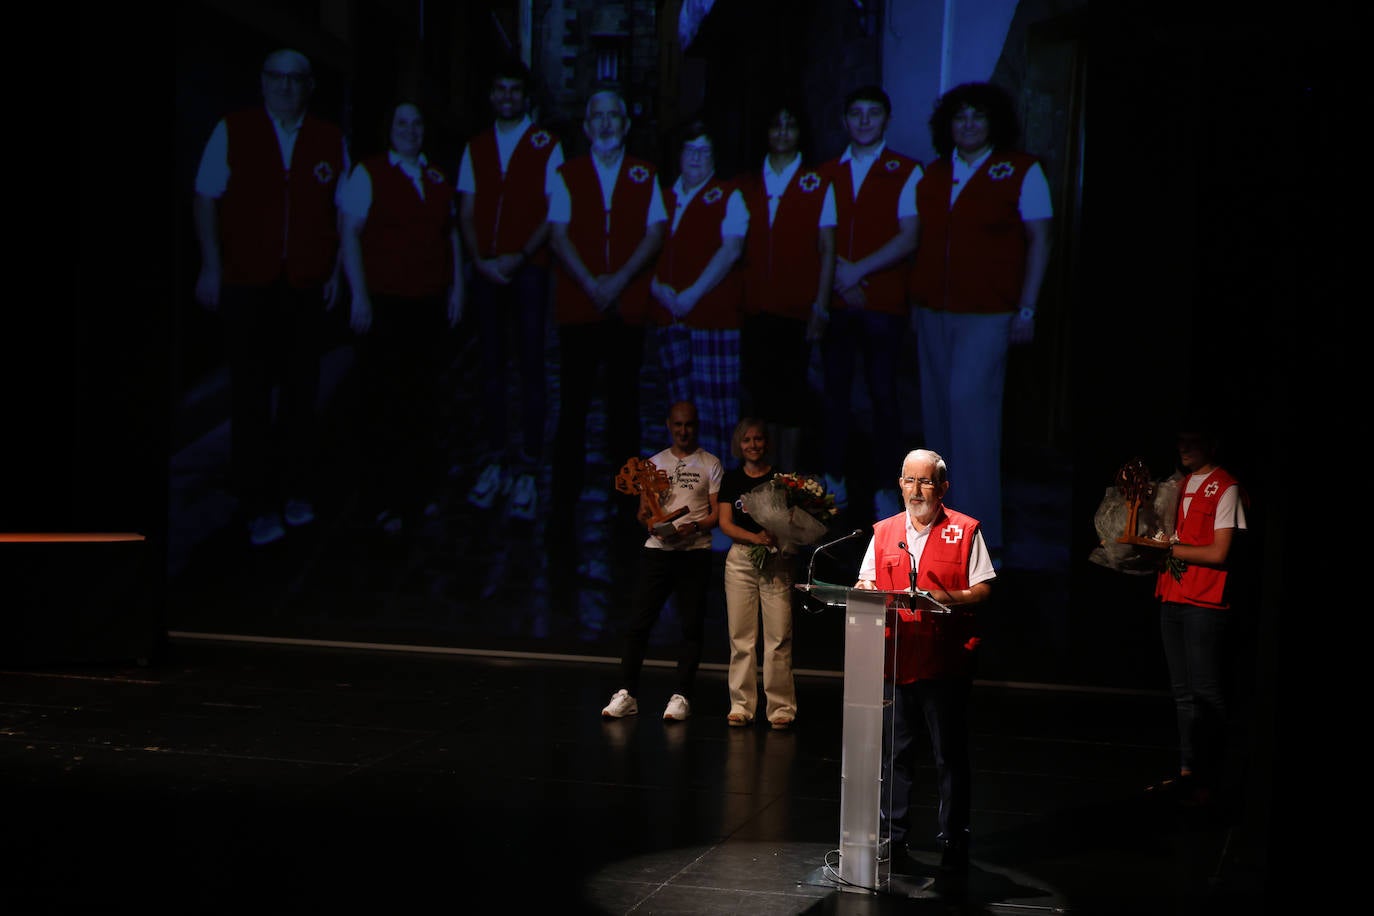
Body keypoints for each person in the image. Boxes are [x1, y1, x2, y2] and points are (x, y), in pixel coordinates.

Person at [193, 48, 349, 546]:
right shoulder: (232, 129)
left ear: (310, 87)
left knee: (302, 396)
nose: (285, 87)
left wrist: (337, 273)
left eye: (296, 79)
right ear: (262, 82)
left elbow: (344, 213)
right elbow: (205, 197)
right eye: (277, 78)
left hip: (305, 285)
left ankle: (296, 491)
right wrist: (212, 268)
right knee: (251, 396)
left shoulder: (329, 139)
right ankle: (256, 503)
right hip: (247, 282)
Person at [908, 82, 1054, 569]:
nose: (967, 125)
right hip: (932, 313)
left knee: (972, 419)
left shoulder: (1021, 170)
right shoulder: (933, 174)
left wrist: (1027, 308)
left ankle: (976, 532)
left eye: (977, 117)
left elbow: (1040, 240)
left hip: (988, 315)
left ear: (992, 123)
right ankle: (932, 522)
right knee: (938, 420)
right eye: (960, 117)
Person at [854, 448, 995, 888]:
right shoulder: (884, 532)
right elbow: (866, 583)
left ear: (942, 488)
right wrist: (862, 589)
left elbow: (983, 589)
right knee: (895, 758)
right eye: (909, 481)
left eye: (926, 482)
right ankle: (894, 838)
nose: (917, 490)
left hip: (944, 664)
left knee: (948, 757)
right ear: (899, 484)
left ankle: (953, 839)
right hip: (895, 661)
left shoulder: (965, 529)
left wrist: (943, 600)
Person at [547, 89, 667, 602]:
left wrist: (615, 282)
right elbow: (558, 235)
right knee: (573, 407)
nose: (605, 123)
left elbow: (654, 231)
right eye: (596, 115)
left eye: (614, 114)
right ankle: (563, 503)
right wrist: (591, 281)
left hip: (624, 308)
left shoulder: (644, 172)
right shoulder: (567, 174)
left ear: (625, 121)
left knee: (623, 411)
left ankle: (626, 506)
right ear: (587, 123)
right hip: (579, 307)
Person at [338, 101, 464, 536]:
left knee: (423, 401)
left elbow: (450, 238)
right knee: (382, 402)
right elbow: (349, 233)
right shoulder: (368, 173)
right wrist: (358, 295)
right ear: (389, 129)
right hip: (385, 305)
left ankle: (416, 493)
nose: (410, 130)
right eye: (401, 123)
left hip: (428, 305)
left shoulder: (436, 177)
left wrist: (457, 288)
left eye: (416, 122)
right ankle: (381, 498)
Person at [457, 58, 564, 521]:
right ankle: (496, 459)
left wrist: (518, 257)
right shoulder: (476, 147)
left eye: (513, 90)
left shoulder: (546, 145)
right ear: (491, 95)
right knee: (492, 368)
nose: (506, 97)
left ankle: (528, 466)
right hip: (487, 271)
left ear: (525, 96)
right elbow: (465, 207)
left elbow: (553, 211)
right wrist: (480, 258)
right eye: (498, 89)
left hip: (528, 271)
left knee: (532, 366)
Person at [820, 86, 921, 521]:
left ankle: (886, 486)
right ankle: (833, 480)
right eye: (855, 113)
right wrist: (842, 276)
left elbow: (909, 235)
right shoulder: (825, 172)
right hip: (840, 302)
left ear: (885, 119)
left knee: (884, 397)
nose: (863, 121)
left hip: (882, 303)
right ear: (845, 120)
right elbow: (817, 236)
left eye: (872, 113)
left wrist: (855, 271)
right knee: (835, 394)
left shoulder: (906, 171)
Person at [601, 401, 722, 723]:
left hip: (694, 552)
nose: (684, 431)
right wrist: (651, 524)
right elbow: (643, 511)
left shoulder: (710, 464)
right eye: (679, 425)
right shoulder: (653, 464)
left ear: (697, 426)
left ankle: (681, 695)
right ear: (669, 425)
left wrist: (692, 526)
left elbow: (714, 515)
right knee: (638, 625)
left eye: (690, 425)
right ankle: (627, 693)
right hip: (657, 552)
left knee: (690, 627)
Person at [1151, 417, 1248, 810]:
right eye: (1180, 442)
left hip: (1205, 602)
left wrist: (1168, 551)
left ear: (1212, 444)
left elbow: (1219, 552)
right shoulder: (1177, 484)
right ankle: (1189, 768)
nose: (1184, 448)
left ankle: (1214, 773)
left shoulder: (1226, 486)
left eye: (1193, 442)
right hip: (1173, 596)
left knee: (1205, 690)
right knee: (1182, 692)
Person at [737, 100, 836, 472]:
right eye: (775, 125)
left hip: (797, 310)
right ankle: (761, 481)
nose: (782, 133)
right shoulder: (746, 184)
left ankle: (788, 481)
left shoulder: (817, 183)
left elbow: (827, 249)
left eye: (790, 126)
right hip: (755, 307)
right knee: (760, 401)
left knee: (793, 401)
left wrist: (821, 307)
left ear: (800, 133)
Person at [648, 119, 748, 465]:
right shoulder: (662, 197)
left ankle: (724, 494)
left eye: (704, 152)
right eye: (690, 151)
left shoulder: (728, 195)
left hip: (713, 320)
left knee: (717, 409)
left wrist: (691, 295)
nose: (696, 158)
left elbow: (731, 250)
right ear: (679, 156)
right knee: (680, 409)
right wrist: (660, 291)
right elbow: (645, 249)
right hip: (669, 317)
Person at [716, 418, 797, 729]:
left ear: (767, 443)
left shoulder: (781, 481)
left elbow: (793, 519)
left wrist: (776, 535)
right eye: (747, 440)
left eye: (758, 439)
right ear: (739, 444)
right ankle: (741, 706)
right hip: (741, 561)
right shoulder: (732, 480)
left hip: (775, 561)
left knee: (778, 637)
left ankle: (780, 709)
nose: (753, 445)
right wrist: (756, 538)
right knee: (742, 638)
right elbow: (725, 523)